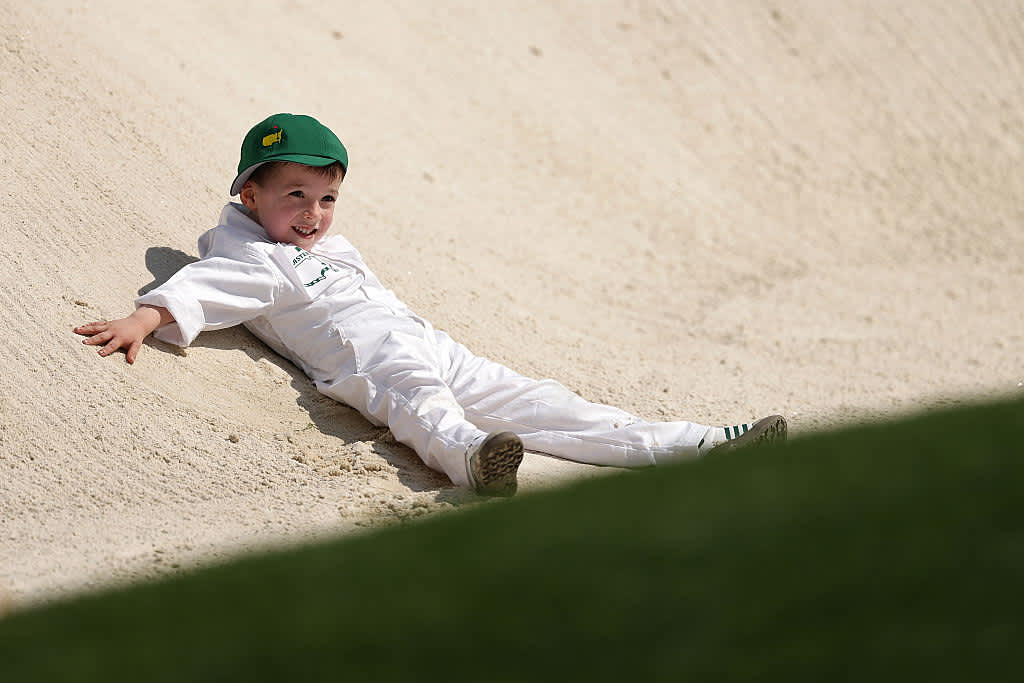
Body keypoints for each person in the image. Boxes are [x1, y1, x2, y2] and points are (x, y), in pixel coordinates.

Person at [75, 113, 787, 497]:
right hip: (364, 357)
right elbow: (205, 287)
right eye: (294, 195)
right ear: (249, 194)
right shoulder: (252, 254)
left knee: (546, 401)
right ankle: (472, 461)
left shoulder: (325, 246)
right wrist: (145, 317)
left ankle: (696, 444)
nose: (313, 212)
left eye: (326, 198)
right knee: (418, 402)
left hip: (427, 340)